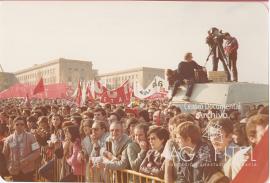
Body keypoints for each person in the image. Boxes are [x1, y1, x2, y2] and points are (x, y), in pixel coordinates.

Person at [2, 116, 40, 181]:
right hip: (14, 170)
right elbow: (5, 155)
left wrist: (27, 159)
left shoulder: (31, 137)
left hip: (28, 170)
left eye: (22, 124)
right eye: (17, 124)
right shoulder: (8, 139)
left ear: (24, 126)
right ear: (13, 126)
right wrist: (9, 165)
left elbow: (37, 152)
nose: (19, 126)